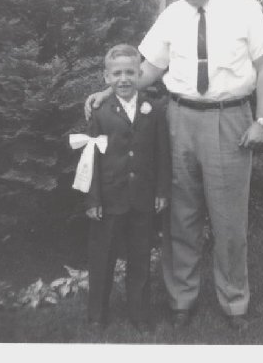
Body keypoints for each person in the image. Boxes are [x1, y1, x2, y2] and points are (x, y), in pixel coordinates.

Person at [85, 0, 263, 332]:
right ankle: (181, 299)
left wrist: (262, 120)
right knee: (180, 217)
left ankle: (234, 301)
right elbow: (149, 68)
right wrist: (111, 90)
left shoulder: (244, 11)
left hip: (230, 121)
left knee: (228, 219)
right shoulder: (172, 15)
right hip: (178, 120)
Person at [83, 44, 171, 331]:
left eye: (130, 72)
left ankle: (140, 315)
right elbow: (90, 158)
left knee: (140, 257)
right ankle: (97, 315)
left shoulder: (154, 109)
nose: (124, 79)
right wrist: (93, 198)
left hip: (142, 197)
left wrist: (160, 191)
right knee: (102, 257)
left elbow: (162, 154)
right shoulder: (99, 111)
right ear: (106, 77)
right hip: (108, 197)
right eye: (117, 73)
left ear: (139, 74)